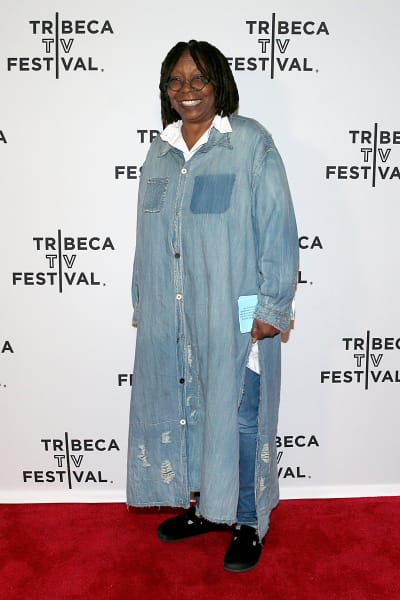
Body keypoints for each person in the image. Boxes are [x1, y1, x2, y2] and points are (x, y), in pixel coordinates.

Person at [127, 40, 299, 573]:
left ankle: (248, 520)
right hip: (173, 312)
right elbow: (147, 238)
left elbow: (278, 227)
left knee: (242, 417)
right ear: (165, 91)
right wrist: (144, 303)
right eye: (176, 82)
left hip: (239, 309)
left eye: (198, 80)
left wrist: (272, 305)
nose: (187, 92)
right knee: (189, 407)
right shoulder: (159, 152)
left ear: (218, 84)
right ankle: (207, 507)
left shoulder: (250, 144)